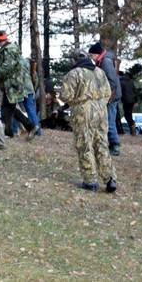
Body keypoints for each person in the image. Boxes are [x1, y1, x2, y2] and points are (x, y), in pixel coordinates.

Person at [59, 49, 117, 193]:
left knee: (84, 144)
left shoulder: (74, 74)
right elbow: (109, 92)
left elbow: (65, 95)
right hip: (102, 110)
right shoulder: (100, 72)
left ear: (74, 60)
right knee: (102, 143)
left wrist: (76, 102)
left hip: (83, 111)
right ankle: (110, 178)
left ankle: (90, 181)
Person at [0, 31, 39, 140]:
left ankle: (9, 133)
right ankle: (30, 127)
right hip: (12, 84)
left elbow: (8, 66)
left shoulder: (9, 50)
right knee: (11, 109)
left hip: (12, 85)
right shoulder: (9, 49)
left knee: (6, 110)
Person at [88, 42, 122, 156]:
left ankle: (115, 145)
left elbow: (112, 81)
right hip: (109, 95)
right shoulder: (104, 60)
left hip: (111, 96)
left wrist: (109, 97)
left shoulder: (106, 62)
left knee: (109, 120)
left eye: (91, 55)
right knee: (106, 120)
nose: (91, 58)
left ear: (97, 54)